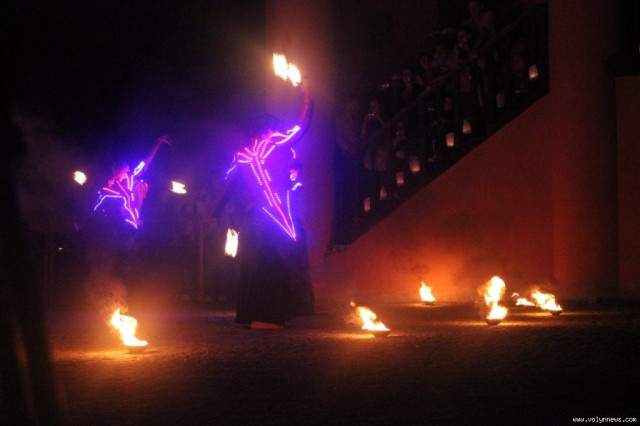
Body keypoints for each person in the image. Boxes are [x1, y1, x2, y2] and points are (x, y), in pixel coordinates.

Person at [217, 79, 313, 328]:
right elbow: (301, 127)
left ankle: (254, 315)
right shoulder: (268, 146)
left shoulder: (244, 154)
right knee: (271, 264)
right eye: (275, 127)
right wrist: (306, 96)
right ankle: (266, 316)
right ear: (267, 130)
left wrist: (218, 210)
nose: (278, 131)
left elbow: (227, 183)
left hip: (257, 217)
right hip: (267, 218)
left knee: (257, 265)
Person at [93, 135, 171, 230]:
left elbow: (148, 159)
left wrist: (159, 143)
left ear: (125, 170)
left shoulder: (132, 178)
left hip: (131, 220)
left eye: (120, 171)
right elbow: (105, 196)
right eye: (116, 171)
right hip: (121, 220)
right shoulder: (114, 184)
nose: (118, 174)